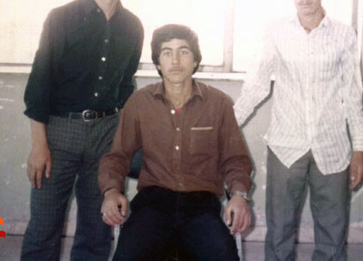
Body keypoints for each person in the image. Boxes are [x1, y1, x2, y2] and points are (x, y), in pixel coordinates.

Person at [234, 0, 363, 261]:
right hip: (286, 145)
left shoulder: (344, 34)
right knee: (279, 231)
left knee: (332, 234)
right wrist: (226, 126)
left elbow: (353, 94)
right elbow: (256, 86)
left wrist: (360, 148)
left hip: (332, 147)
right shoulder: (276, 31)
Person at [21, 0, 144, 260]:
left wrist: (123, 141)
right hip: (59, 133)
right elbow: (39, 84)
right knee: (43, 227)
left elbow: (126, 85)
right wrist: (39, 145)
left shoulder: (133, 27)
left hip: (106, 136)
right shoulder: (61, 18)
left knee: (98, 228)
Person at [99, 24, 253, 261]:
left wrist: (240, 196)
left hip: (201, 207)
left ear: (195, 60)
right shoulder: (140, 102)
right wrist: (111, 192)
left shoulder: (219, 103)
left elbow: (236, 160)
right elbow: (118, 157)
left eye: (183, 51)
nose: (175, 60)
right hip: (152, 205)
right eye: (167, 52)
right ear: (158, 63)